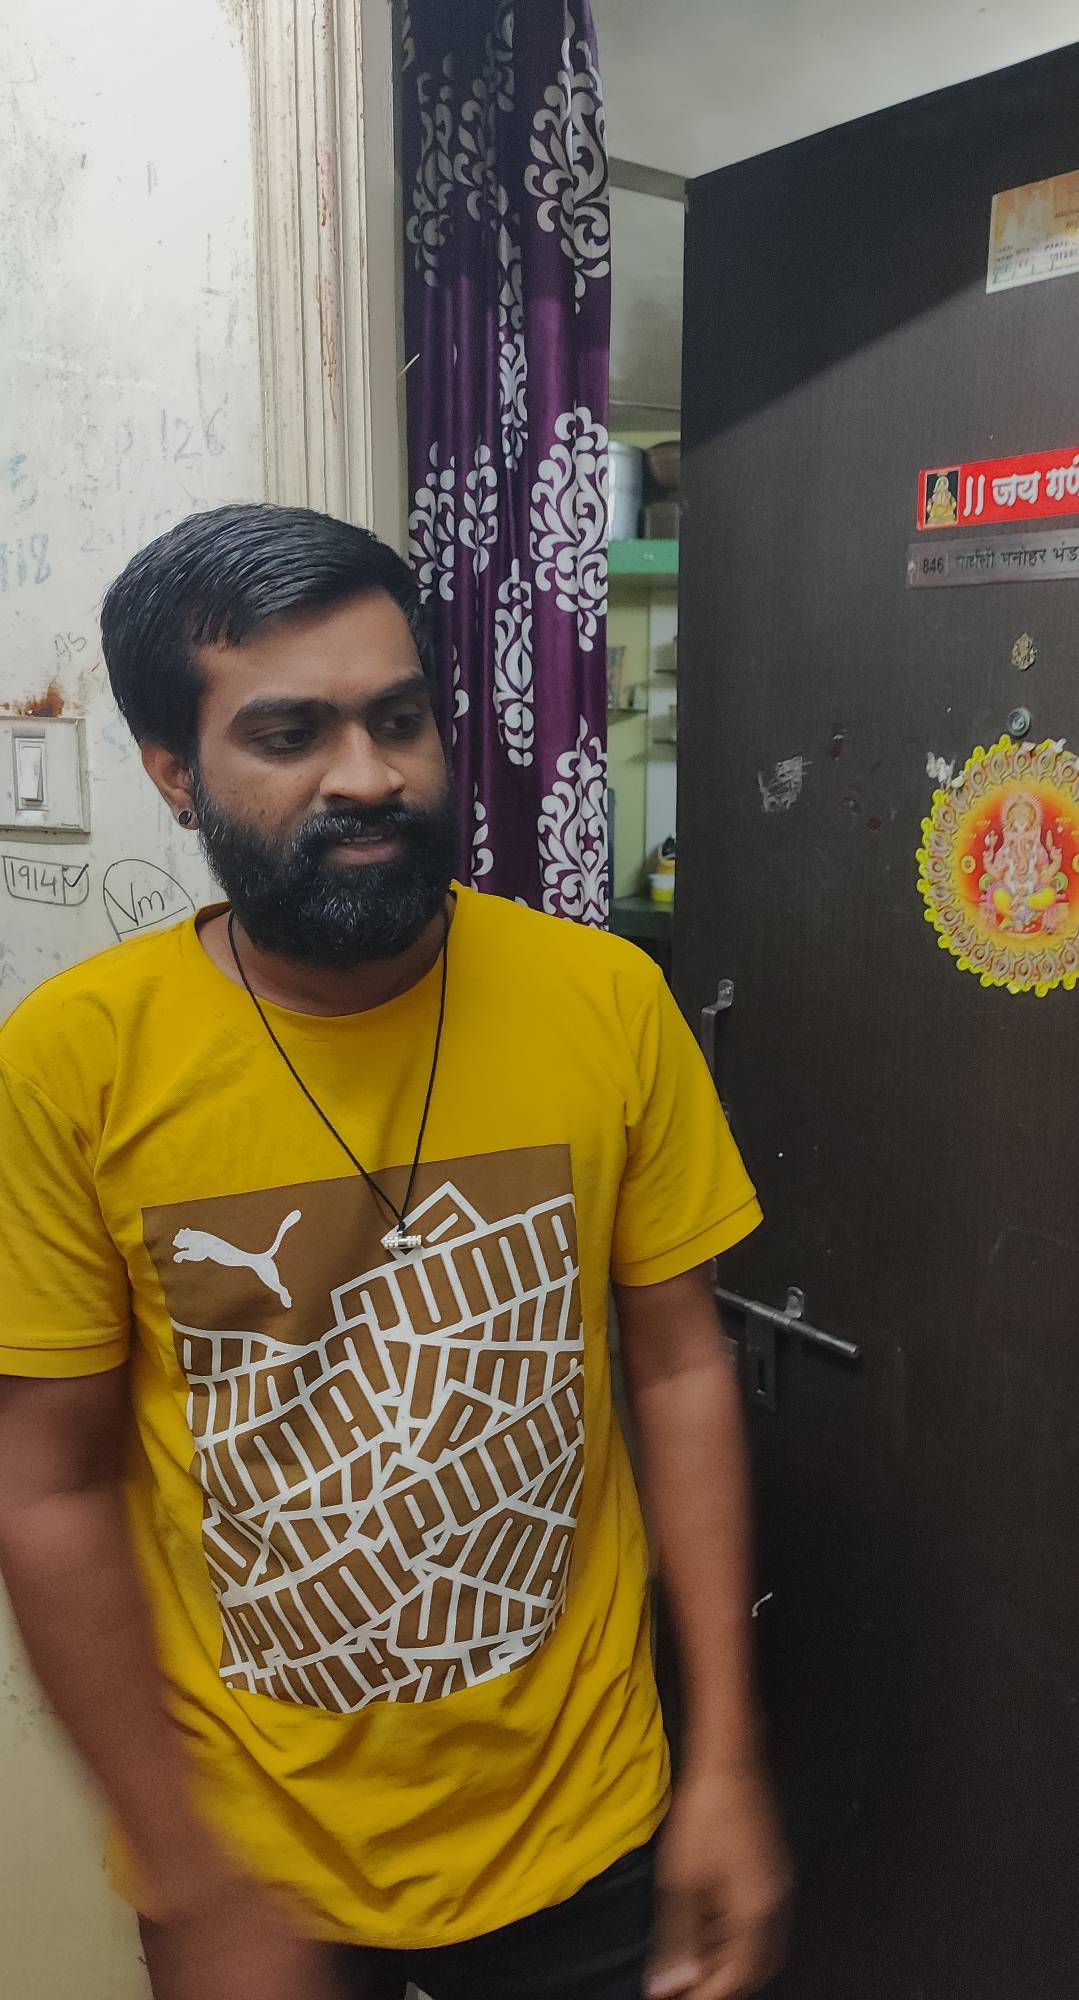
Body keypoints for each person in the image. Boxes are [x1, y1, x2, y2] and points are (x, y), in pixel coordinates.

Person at [0, 505, 790, 2000]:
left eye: (400, 719)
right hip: (254, 1859)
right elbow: (46, 1489)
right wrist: (184, 1867)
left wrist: (727, 1762)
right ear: (173, 771)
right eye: (290, 733)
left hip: (584, 1821)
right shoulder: (73, 1066)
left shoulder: (605, 1000)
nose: (368, 775)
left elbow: (682, 1367)